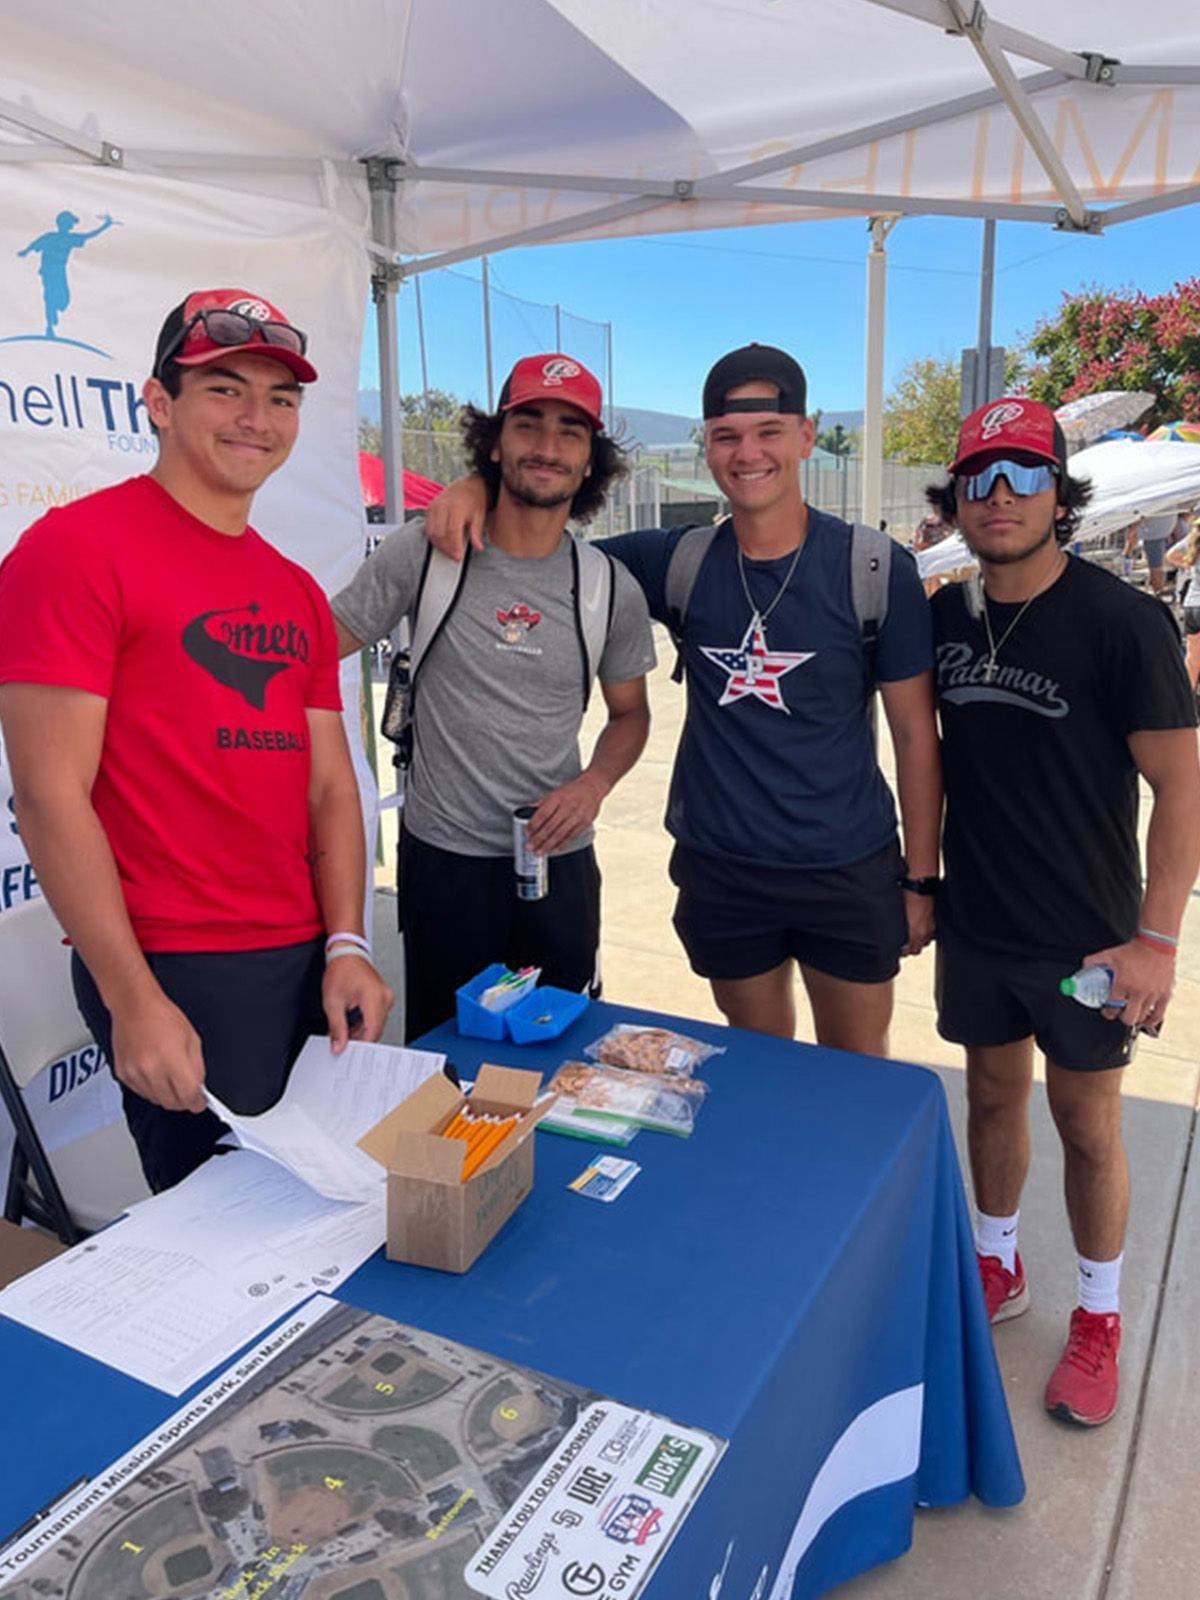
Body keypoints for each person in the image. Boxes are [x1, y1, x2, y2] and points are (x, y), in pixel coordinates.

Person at [428, 344, 942, 1055]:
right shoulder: (677, 562)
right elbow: (547, 515)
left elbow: (916, 736)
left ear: (806, 434)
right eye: (727, 436)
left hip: (847, 868)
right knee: (758, 1067)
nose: (748, 453)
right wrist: (474, 488)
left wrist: (921, 878)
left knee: (855, 1082)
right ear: (706, 447)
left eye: (768, 432)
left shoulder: (874, 568)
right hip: (724, 868)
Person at [0, 287, 394, 1192]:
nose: (258, 418)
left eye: (281, 397)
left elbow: (332, 787)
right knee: (232, 1245)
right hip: (176, 964)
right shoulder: (73, 551)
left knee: (327, 1217)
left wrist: (347, 943)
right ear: (158, 402)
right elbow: (49, 796)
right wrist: (133, 997)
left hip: (301, 957)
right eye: (225, 388)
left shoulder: (292, 587)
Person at [926, 398, 1200, 1427]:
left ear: (1059, 492)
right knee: (991, 1102)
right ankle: (999, 1266)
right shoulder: (948, 616)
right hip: (977, 924)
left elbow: (1184, 787)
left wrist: (1158, 941)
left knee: (1088, 1127)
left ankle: (1099, 1315)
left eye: (1023, 474)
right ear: (954, 497)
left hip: (1090, 939)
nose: (999, 496)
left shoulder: (1122, 621)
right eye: (979, 477)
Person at [331, 354, 655, 1042]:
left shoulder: (607, 585)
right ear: (495, 441)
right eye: (528, 424)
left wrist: (594, 784)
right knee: (444, 1069)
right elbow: (319, 642)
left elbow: (632, 715)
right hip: (445, 864)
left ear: (591, 460)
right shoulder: (428, 550)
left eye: (570, 432)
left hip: (559, 865)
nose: (546, 447)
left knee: (560, 1062)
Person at [1166, 513, 1200, 690]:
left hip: (1192, 604)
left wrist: (1190, 564)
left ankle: (1187, 705)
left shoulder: (1193, 539)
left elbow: (1171, 555)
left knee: (1193, 658)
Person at [1123, 510, 1182, 595]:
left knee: (1157, 568)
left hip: (1164, 535)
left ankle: (1160, 590)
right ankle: (1159, 593)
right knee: (1156, 569)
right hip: (1154, 537)